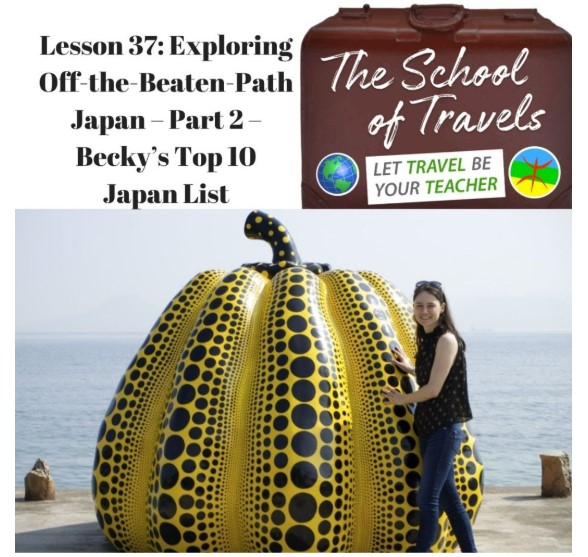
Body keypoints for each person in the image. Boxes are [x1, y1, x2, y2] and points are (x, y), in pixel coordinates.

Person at [382, 280, 477, 553]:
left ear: (442, 308)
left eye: (430, 306)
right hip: (429, 428)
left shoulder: (446, 339)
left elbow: (433, 390)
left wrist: (401, 398)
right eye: (419, 306)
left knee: (427, 497)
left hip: (445, 430)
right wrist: (410, 368)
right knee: (450, 500)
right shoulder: (428, 338)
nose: (424, 311)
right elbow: (435, 376)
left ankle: (421, 551)